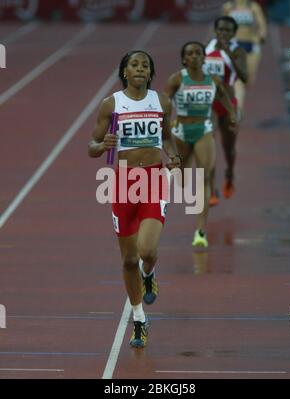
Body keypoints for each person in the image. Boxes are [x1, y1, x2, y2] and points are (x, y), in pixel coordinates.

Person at [88, 50, 180, 348]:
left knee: (147, 250)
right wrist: (103, 145)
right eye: (134, 64)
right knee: (128, 258)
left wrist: (174, 154)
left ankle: (149, 272)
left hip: (153, 178)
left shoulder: (161, 102)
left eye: (145, 65)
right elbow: (91, 145)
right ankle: (140, 319)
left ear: (150, 72)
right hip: (124, 182)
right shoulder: (111, 104)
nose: (140, 68)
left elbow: (167, 136)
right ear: (125, 71)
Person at [164, 41, 236, 248]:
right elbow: (164, 102)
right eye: (190, 53)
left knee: (203, 178)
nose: (194, 56)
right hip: (181, 132)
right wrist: (167, 121)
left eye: (198, 53)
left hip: (204, 129)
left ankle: (200, 231)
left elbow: (223, 96)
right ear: (184, 59)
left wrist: (231, 115)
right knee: (183, 182)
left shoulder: (212, 80)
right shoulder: (177, 79)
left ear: (204, 58)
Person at [205, 16, 248, 203]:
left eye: (227, 31)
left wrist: (229, 55)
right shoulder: (206, 49)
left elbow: (245, 77)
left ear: (233, 34)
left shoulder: (238, 51)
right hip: (210, 105)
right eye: (220, 30)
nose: (223, 33)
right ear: (215, 31)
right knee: (210, 146)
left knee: (228, 148)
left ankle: (229, 175)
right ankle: (212, 189)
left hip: (229, 104)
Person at [222, 0, 267, 110]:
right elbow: (222, 24)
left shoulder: (253, 7)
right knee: (239, 79)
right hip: (236, 45)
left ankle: (239, 97)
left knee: (249, 79)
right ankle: (238, 108)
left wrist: (261, 35)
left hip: (251, 45)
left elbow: (261, 23)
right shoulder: (228, 7)